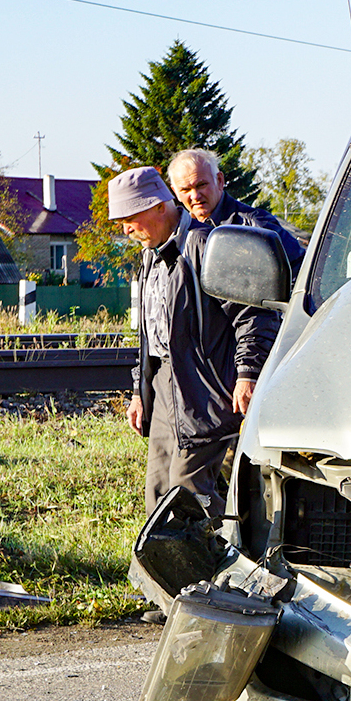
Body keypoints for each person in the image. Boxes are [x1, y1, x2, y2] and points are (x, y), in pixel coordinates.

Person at [108, 166, 280, 604]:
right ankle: (164, 597)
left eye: (131, 218)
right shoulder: (151, 254)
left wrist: (247, 373)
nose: (127, 230)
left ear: (157, 207)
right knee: (158, 492)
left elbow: (251, 315)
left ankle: (224, 593)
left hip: (204, 387)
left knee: (189, 492)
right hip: (165, 385)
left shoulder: (205, 245)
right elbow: (149, 333)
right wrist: (139, 391)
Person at [166, 148, 306, 266]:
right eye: (185, 190)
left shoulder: (255, 226)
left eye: (201, 185)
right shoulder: (176, 235)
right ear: (175, 192)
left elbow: (299, 275)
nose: (195, 195)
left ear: (220, 181)